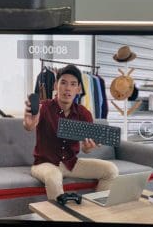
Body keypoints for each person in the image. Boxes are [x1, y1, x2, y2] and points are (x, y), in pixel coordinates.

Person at [23, 64, 119, 201]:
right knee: (54, 177)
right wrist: (28, 124)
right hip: (44, 164)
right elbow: (28, 126)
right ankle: (62, 219)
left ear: (79, 89)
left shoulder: (83, 113)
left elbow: (86, 149)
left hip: (71, 163)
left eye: (73, 84)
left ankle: (96, 211)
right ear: (56, 85)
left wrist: (87, 148)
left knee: (111, 170)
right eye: (63, 83)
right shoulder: (43, 107)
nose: (68, 88)